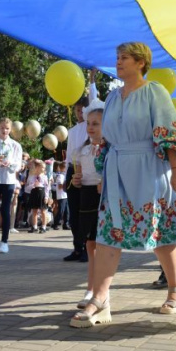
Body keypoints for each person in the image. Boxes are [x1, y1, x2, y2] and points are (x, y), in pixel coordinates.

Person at [70, 42, 176, 328]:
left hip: (149, 167)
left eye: (124, 57)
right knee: (107, 234)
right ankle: (99, 300)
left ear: (141, 62)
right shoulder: (112, 97)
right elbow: (107, 139)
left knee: (160, 232)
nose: (118, 62)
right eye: (117, 57)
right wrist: (102, 172)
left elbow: (169, 134)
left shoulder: (155, 92)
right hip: (117, 170)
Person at [73, 99, 106, 307]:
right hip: (87, 197)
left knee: (103, 245)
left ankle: (100, 291)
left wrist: (106, 181)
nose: (91, 127)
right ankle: (90, 289)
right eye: (89, 123)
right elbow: (78, 177)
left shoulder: (110, 150)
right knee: (90, 244)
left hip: (104, 198)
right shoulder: (81, 151)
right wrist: (76, 180)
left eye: (96, 123)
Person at [63, 70, 99, 261]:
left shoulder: (90, 126)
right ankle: (77, 248)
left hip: (87, 172)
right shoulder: (72, 130)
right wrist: (68, 176)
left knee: (86, 212)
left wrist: (91, 81)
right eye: (76, 110)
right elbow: (70, 156)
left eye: (81, 110)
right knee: (73, 213)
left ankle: (88, 247)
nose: (79, 113)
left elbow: (94, 100)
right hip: (73, 170)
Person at [0, 117, 22, 254]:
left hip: (8, 180)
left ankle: (4, 241)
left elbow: (18, 164)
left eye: (7, 128)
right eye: (2, 128)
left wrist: (10, 165)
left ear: (10, 129)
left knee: (5, 210)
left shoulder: (15, 145)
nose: (4, 131)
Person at [26, 160, 49, 233]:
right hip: (34, 193)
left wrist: (46, 197)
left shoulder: (44, 176)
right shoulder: (31, 176)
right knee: (34, 211)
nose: (43, 169)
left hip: (41, 193)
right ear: (37, 167)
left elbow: (47, 187)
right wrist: (33, 185)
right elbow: (27, 188)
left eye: (44, 168)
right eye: (42, 167)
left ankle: (44, 226)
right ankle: (34, 226)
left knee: (43, 211)